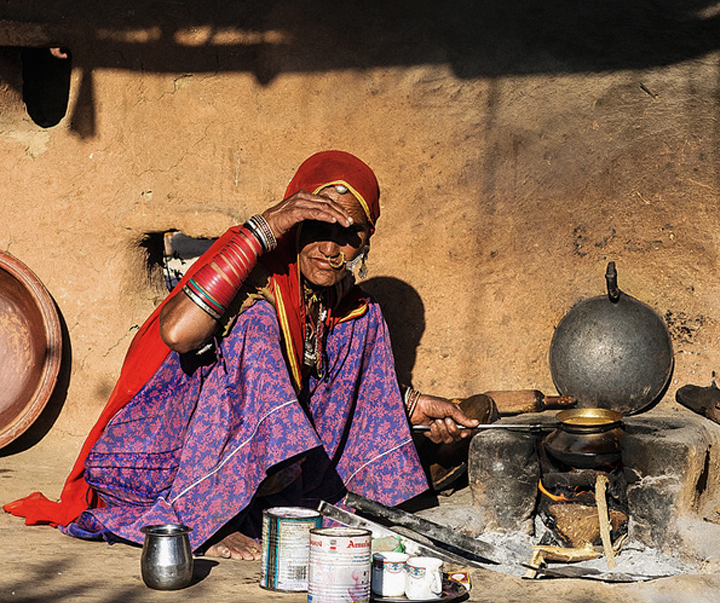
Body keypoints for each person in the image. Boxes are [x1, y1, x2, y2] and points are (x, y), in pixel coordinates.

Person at [4, 150, 477, 559]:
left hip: (251, 467)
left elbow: (333, 383)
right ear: (295, 220)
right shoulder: (255, 275)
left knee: (364, 317)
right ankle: (209, 514)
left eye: (349, 236)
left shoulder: (340, 305)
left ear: (366, 240)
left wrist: (412, 405)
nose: (331, 250)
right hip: (153, 460)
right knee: (256, 325)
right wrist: (268, 225)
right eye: (317, 227)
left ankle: (266, 499)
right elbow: (178, 334)